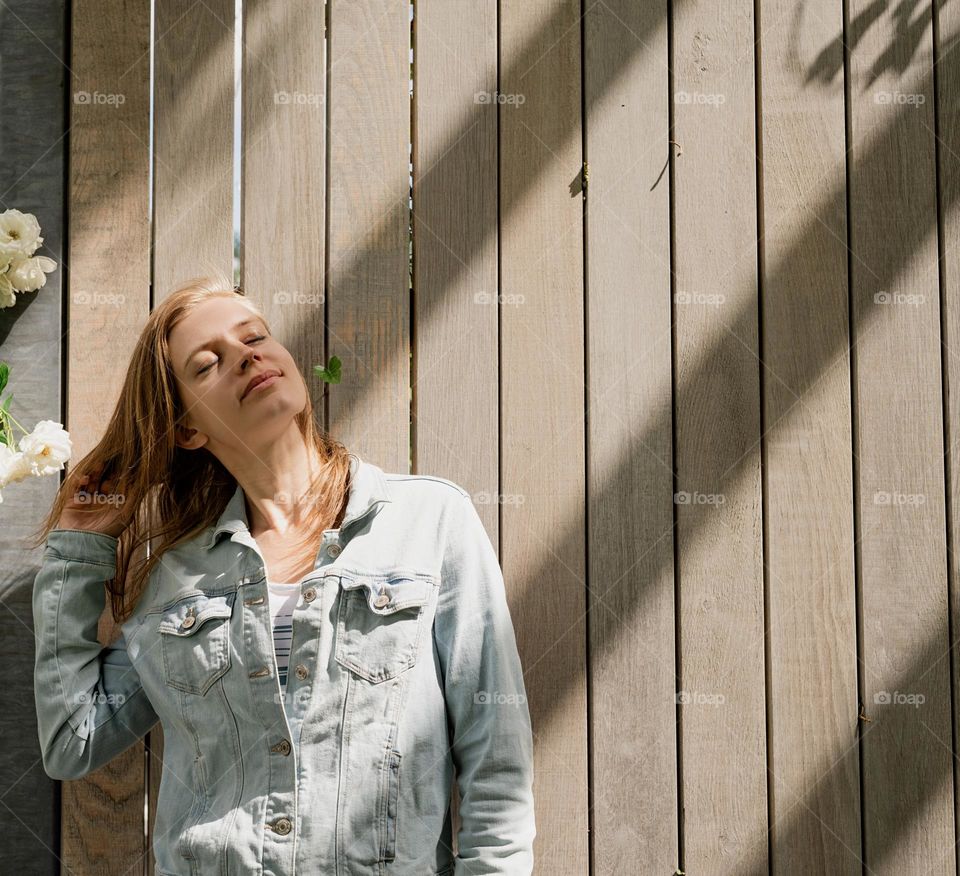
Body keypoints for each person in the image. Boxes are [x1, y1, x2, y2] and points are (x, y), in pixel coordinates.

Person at [29, 274, 536, 875]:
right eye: (207, 363)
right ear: (189, 428)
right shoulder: (174, 579)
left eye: (255, 336)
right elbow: (73, 739)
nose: (245, 355)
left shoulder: (431, 522)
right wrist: (78, 551)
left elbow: (495, 757)